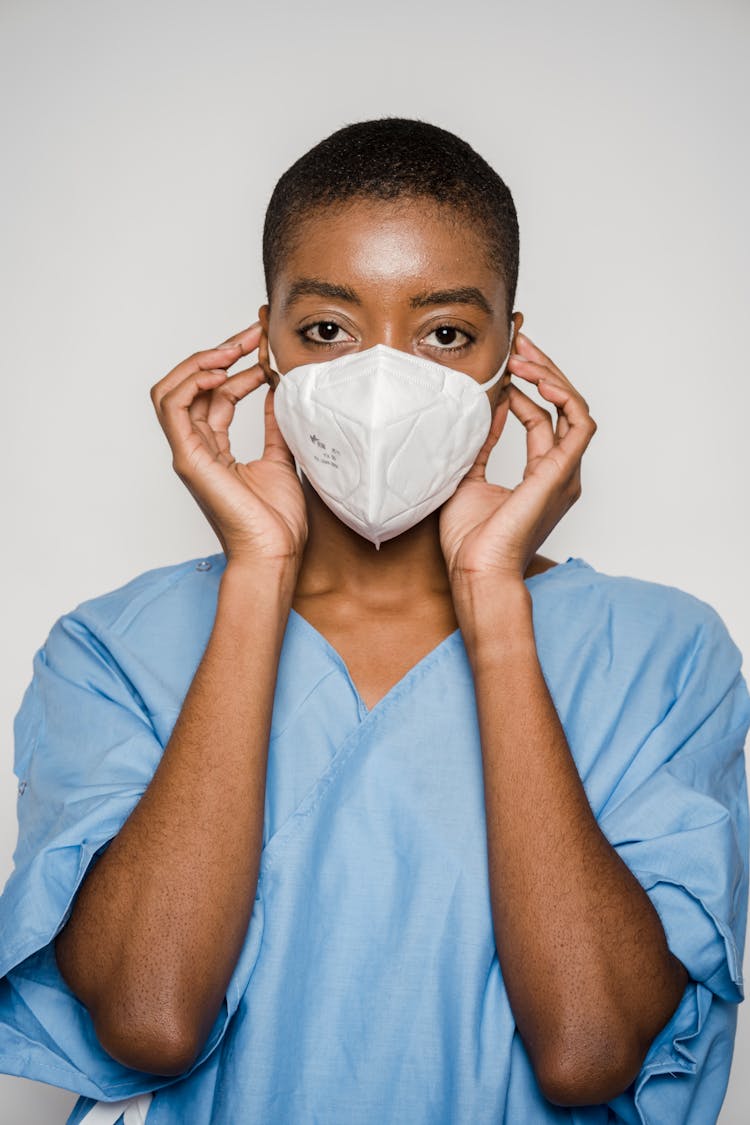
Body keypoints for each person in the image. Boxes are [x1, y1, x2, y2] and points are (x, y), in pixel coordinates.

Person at [0, 117, 747, 1125]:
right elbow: (150, 1018)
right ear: (262, 346)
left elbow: (588, 1051)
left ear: (511, 355)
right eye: (328, 331)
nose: (384, 382)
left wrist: (494, 600)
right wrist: (258, 571)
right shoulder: (110, 650)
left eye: (444, 332)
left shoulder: (665, 655)